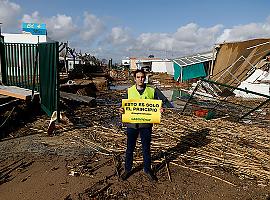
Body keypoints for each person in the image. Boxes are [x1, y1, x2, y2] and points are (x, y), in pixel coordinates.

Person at [119, 69, 162, 182]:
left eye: (142, 77)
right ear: (135, 79)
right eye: (138, 77)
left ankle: (147, 170)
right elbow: (122, 105)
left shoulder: (151, 91)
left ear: (145, 78)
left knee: (146, 148)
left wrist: (160, 109)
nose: (140, 79)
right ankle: (128, 169)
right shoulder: (129, 91)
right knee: (129, 149)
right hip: (132, 125)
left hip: (146, 125)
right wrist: (121, 109)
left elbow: (160, 103)